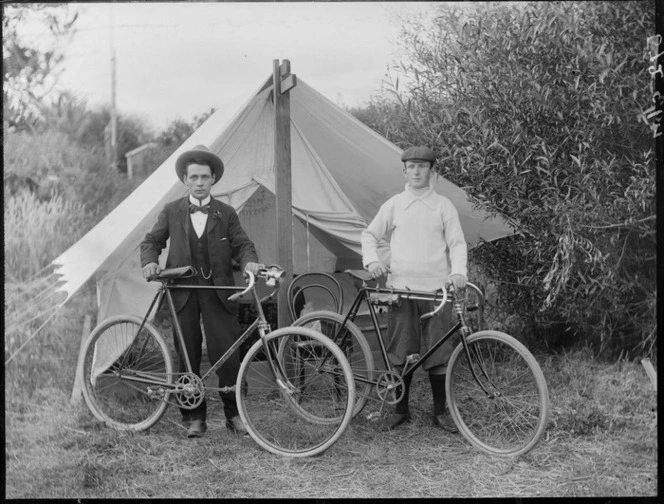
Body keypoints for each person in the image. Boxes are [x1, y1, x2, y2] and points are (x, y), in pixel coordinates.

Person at [140, 144, 263, 438]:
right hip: (183, 293)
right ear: (185, 180)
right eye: (193, 177)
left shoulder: (226, 213)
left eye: (204, 177)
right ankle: (193, 416)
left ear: (213, 180)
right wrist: (149, 262)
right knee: (188, 354)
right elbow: (150, 242)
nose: (198, 183)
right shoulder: (172, 211)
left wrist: (250, 263)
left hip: (218, 293)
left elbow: (244, 245)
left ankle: (235, 415)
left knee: (228, 354)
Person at [361, 145, 467, 432]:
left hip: (436, 292)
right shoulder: (394, 205)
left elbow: (457, 244)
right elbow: (369, 235)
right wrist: (372, 261)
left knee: (439, 350)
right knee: (401, 349)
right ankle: (400, 410)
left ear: (432, 171)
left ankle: (441, 412)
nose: (417, 171)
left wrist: (458, 272)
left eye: (422, 166)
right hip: (402, 291)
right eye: (411, 167)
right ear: (404, 171)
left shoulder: (443, 206)